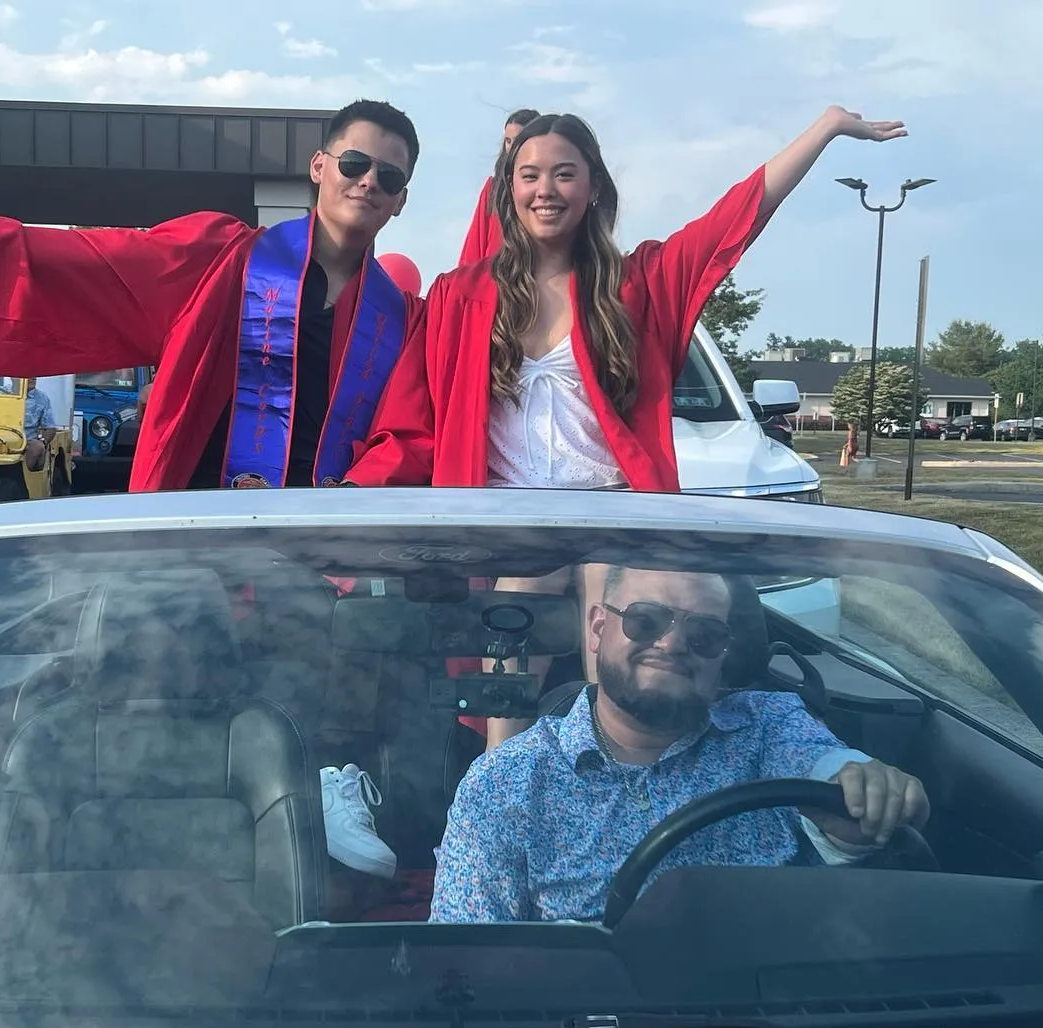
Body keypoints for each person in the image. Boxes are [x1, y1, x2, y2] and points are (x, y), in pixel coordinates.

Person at [0, 99, 424, 493]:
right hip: (201, 523)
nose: (368, 181)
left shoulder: (403, 319)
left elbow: (408, 435)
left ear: (401, 201)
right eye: (354, 163)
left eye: (390, 176)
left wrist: (357, 497)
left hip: (326, 541)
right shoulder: (220, 256)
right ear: (319, 166)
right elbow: (99, 259)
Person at [345, 105, 904, 491]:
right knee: (515, 627)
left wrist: (825, 129)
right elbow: (413, 426)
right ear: (508, 189)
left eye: (564, 174)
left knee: (659, 623)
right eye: (529, 175)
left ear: (593, 187)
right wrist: (350, 494)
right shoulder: (458, 297)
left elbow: (733, 218)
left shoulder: (638, 285)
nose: (545, 190)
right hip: (501, 527)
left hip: (611, 524)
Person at [430, 566, 930, 923]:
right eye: (646, 621)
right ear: (599, 629)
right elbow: (467, 974)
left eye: (704, 634)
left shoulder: (770, 725)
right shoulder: (508, 784)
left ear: (725, 653)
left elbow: (825, 764)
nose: (671, 644)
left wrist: (865, 790)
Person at [457, 107, 540, 267]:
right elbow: (474, 245)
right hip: (493, 274)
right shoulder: (493, 189)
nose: (512, 147)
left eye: (518, 139)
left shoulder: (545, 190)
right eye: (508, 141)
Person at [21, 378, 55, 472]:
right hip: (1, 439)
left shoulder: (42, 398)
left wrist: (43, 442)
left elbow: (50, 428)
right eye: (27, 374)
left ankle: (24, 474)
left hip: (28, 441)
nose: (32, 378)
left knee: (37, 447)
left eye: (34, 375)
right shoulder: (1, 393)